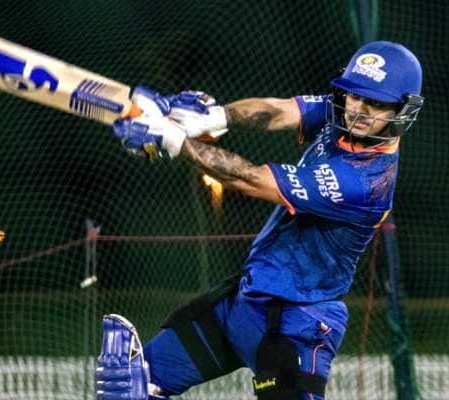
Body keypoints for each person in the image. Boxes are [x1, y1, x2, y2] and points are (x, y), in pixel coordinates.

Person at [95, 41, 424, 400]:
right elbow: (279, 110)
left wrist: (176, 141)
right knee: (131, 386)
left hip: (298, 323)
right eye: (354, 96)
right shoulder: (342, 115)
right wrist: (215, 117)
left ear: (402, 111)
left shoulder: (365, 182)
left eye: (375, 103)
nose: (358, 109)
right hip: (245, 303)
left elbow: (250, 180)